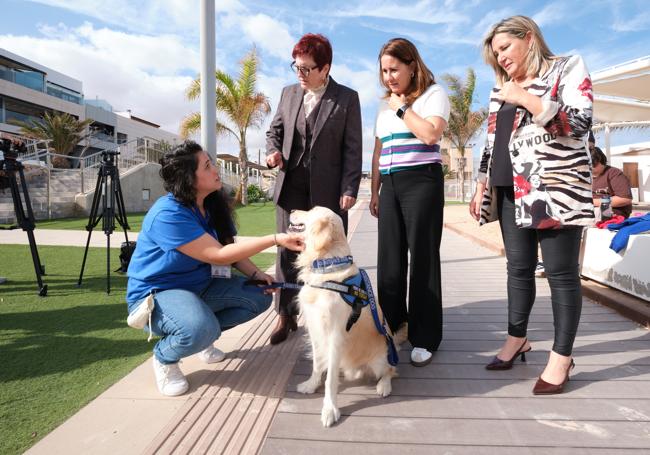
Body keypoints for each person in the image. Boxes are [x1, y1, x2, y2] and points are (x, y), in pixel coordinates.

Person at [470, 16, 594, 394]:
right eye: (496, 54)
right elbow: (492, 142)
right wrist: (481, 184)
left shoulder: (567, 68)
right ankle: (516, 339)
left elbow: (580, 122)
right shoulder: (500, 87)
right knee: (518, 269)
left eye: (505, 48)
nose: (502, 59)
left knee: (560, 273)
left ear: (529, 37)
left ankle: (561, 357)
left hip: (555, 189)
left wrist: (527, 99)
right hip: (509, 189)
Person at [126, 140, 304, 396]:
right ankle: (165, 357)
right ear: (189, 178)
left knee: (257, 297)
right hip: (159, 295)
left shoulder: (211, 203)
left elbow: (229, 249)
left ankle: (202, 335)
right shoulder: (168, 214)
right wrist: (275, 239)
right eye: (208, 165)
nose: (215, 169)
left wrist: (257, 275)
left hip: (200, 286)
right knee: (199, 327)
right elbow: (219, 256)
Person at [265, 33, 362, 345]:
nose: (300, 74)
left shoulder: (347, 99)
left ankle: (332, 315)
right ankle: (285, 315)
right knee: (286, 253)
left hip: (329, 194)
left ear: (325, 68)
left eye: (307, 68)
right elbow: (274, 131)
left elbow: (353, 149)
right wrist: (273, 152)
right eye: (296, 68)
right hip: (290, 188)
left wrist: (350, 187)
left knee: (329, 256)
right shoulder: (288, 93)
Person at [370, 38, 450, 367]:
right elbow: (378, 151)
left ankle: (426, 336)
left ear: (412, 66)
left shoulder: (434, 95)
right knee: (389, 260)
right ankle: (394, 326)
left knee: (422, 260)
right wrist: (374, 191)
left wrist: (402, 109)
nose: (389, 76)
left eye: (395, 69)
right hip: (389, 184)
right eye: (384, 71)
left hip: (421, 181)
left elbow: (430, 135)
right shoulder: (384, 106)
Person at [591, 146, 633, 218]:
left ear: (600, 160)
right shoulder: (582, 176)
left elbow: (625, 199)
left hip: (611, 212)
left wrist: (590, 202)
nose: (590, 168)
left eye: (593, 165)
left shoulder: (614, 173)